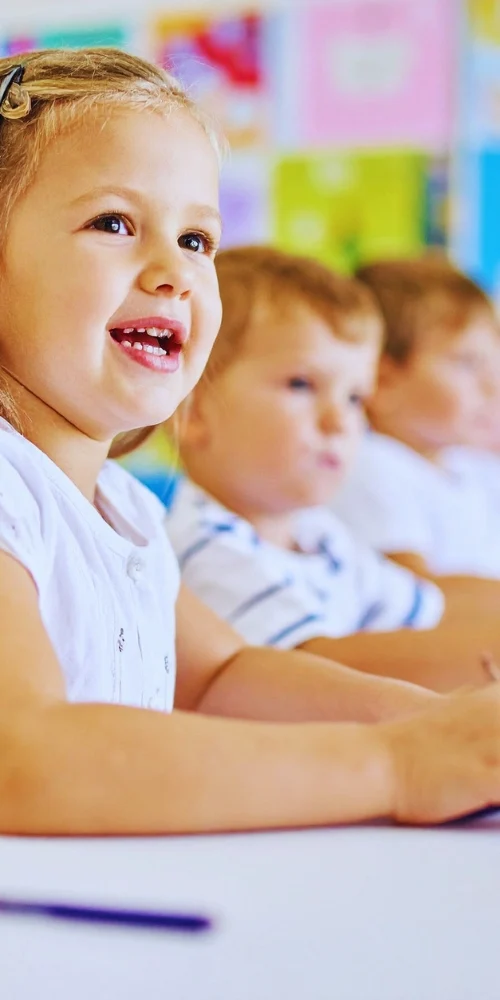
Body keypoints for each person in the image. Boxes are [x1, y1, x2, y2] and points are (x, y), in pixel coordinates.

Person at [0, 51, 499, 838]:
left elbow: (227, 677)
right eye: (114, 223)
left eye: (197, 238)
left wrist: (441, 727)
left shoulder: (122, 511)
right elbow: (18, 760)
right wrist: (397, 765)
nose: (175, 272)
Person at [166, 246, 500, 691]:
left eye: (353, 398)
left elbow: (428, 610)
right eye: (302, 385)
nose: (340, 421)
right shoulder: (205, 547)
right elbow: (313, 674)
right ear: (194, 412)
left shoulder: (319, 536)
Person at [331, 256, 500, 579]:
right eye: (468, 362)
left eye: (494, 362)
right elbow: (420, 598)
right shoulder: (372, 465)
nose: (492, 385)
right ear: (381, 381)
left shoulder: (470, 467)